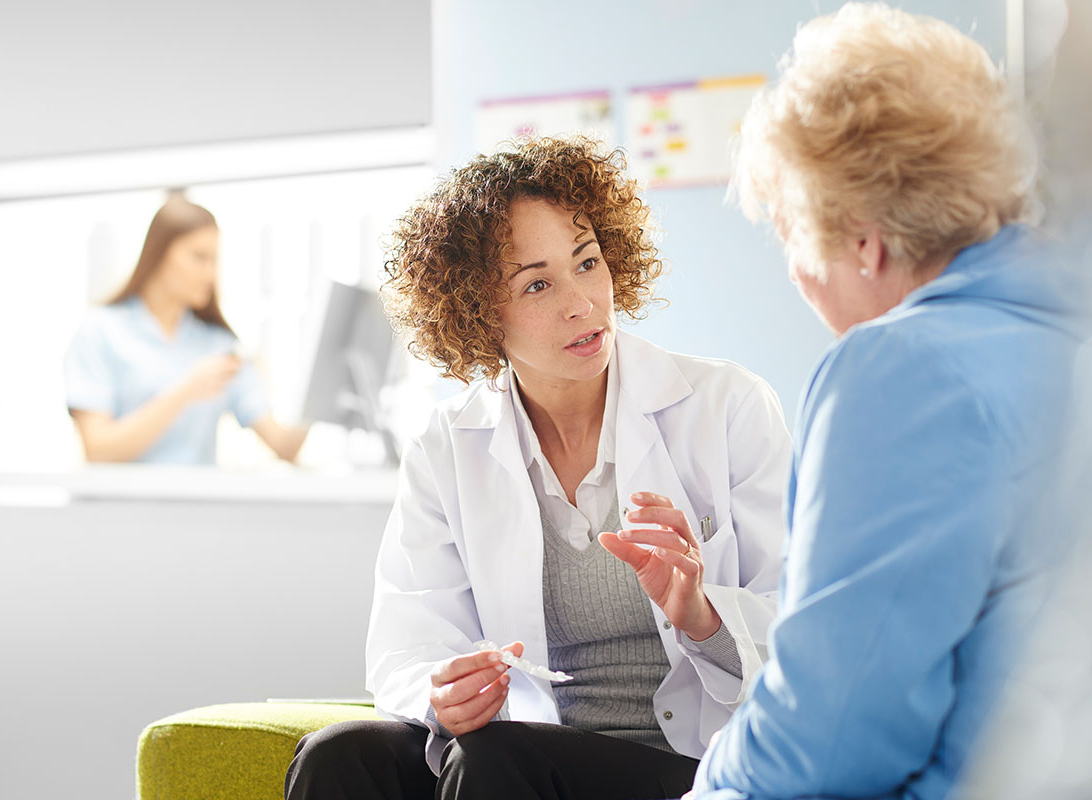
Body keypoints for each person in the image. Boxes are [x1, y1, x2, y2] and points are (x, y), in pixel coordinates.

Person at [284, 136, 792, 800]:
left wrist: (700, 611)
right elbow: (406, 647)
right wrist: (445, 693)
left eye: (587, 263)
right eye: (539, 283)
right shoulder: (446, 446)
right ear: (477, 312)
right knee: (339, 756)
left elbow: (803, 628)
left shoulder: (727, 406)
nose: (582, 302)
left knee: (498, 759)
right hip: (515, 751)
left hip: (688, 764)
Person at [690, 4, 1090, 799]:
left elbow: (826, 742)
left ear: (864, 244)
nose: (799, 278)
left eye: (793, 240)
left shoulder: (902, 370)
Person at [64, 194, 308, 465]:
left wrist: (321, 385)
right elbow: (98, 451)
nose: (210, 274)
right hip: (122, 507)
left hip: (196, 506)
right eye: (198, 257)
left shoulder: (219, 346)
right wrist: (187, 391)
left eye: (214, 260)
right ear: (159, 255)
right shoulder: (100, 332)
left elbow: (284, 446)